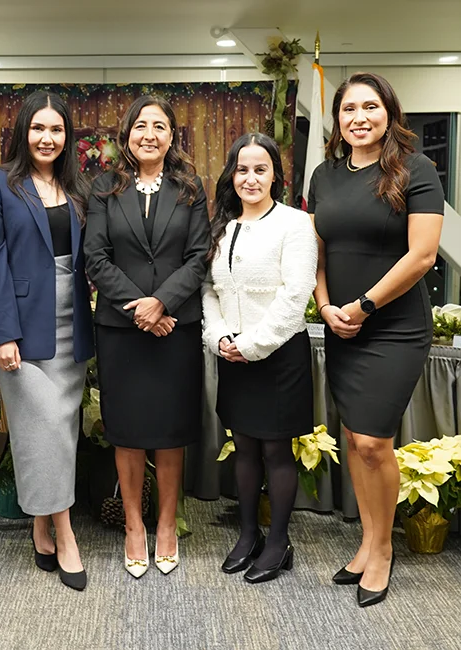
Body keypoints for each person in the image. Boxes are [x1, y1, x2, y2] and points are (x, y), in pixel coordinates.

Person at [308, 72, 444, 607]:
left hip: (394, 327)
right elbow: (314, 251)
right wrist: (324, 307)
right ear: (337, 120)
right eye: (348, 109)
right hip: (341, 323)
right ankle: (367, 540)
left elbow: (422, 256)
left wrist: (363, 306)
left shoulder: (417, 169)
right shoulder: (324, 174)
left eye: (370, 106)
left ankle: (383, 550)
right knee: (354, 439)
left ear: (389, 112)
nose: (359, 117)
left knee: (372, 441)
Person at [85, 95, 210, 578]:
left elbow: (199, 255)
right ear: (127, 135)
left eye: (160, 126)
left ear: (172, 135)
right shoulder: (103, 189)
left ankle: (165, 526)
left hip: (175, 326)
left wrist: (163, 303)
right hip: (122, 328)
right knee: (128, 432)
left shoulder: (190, 188)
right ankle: (134, 526)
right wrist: (142, 307)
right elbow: (96, 257)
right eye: (141, 126)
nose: (150, 134)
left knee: (170, 432)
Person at [0, 91, 94, 591]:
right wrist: (3, 332)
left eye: (57, 129)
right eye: (38, 128)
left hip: (73, 325)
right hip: (21, 330)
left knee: (60, 431)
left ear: (68, 137)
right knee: (42, 426)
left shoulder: (82, 189)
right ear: (24, 131)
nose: (48, 138)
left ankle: (41, 524)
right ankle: (66, 535)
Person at [202, 133, 317, 584]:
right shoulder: (221, 225)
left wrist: (251, 345)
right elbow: (209, 290)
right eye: (243, 169)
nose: (251, 178)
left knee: (275, 449)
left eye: (261, 169)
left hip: (278, 354)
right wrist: (219, 338)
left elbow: (296, 295)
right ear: (232, 174)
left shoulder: (295, 223)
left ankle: (278, 541)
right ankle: (248, 534)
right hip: (232, 355)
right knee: (244, 445)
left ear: (276, 175)